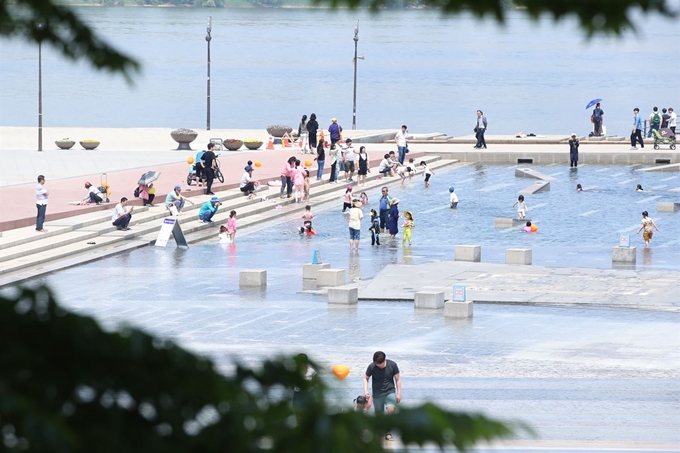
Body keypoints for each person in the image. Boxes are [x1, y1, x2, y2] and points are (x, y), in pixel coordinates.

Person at [363, 351, 401, 442]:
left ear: (385, 360)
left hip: (390, 392)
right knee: (379, 415)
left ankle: (388, 433)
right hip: (377, 394)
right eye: (377, 363)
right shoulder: (372, 366)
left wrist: (399, 393)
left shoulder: (392, 365)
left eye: (380, 363)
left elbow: (398, 379)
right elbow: (365, 378)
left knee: (391, 410)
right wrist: (366, 391)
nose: (378, 365)